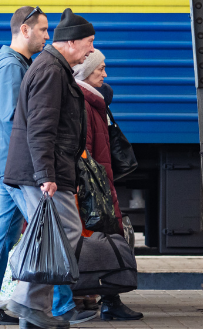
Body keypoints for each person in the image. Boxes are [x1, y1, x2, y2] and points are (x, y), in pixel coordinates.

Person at [2, 8, 100, 329]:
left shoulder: (55, 67)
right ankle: (26, 302)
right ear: (70, 42)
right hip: (41, 172)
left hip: (45, 169)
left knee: (47, 234)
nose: (91, 50)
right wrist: (46, 175)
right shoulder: (51, 71)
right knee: (63, 232)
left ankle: (33, 312)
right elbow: (41, 128)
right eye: (88, 43)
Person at [0, 6, 47, 326]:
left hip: (7, 163)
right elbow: (16, 118)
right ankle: (50, 303)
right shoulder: (12, 68)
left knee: (3, 236)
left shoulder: (14, 64)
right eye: (42, 29)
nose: (47, 35)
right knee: (48, 230)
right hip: (14, 165)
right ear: (24, 30)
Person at [71, 49, 142, 321]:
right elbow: (84, 151)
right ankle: (99, 299)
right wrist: (91, 187)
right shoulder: (85, 103)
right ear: (87, 71)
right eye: (100, 68)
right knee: (99, 239)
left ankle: (106, 299)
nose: (105, 73)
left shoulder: (96, 101)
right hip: (94, 186)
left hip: (100, 182)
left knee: (107, 236)